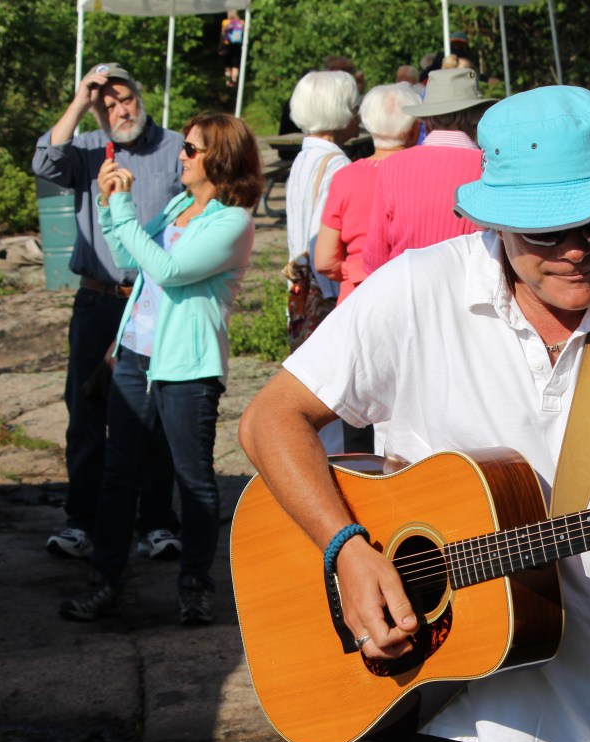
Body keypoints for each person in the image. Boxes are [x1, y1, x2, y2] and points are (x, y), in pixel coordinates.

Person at [238, 85, 590, 742]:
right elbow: (268, 420)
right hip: (446, 713)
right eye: (545, 232)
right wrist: (344, 548)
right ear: (497, 222)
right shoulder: (417, 292)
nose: (576, 252)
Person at [59, 112, 263, 625]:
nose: (182, 156)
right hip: (135, 356)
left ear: (218, 158)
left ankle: (195, 588)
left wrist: (123, 206)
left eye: (191, 150)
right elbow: (132, 252)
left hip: (186, 367)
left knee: (191, 481)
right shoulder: (178, 205)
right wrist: (110, 203)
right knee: (117, 476)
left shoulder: (232, 221)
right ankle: (104, 583)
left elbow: (170, 270)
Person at [33, 63, 182, 563]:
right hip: (99, 299)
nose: (120, 110)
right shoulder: (89, 148)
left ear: (142, 97)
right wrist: (80, 101)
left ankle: (157, 523)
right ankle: (82, 522)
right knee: (87, 412)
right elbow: (44, 162)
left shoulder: (176, 147)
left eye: (126, 99)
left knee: (156, 413)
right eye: (108, 104)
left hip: (156, 299)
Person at [283, 70, 361, 454]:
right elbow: (325, 248)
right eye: (353, 104)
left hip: (300, 294)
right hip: (326, 297)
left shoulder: (303, 158)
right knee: (332, 405)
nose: (358, 112)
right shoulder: (337, 166)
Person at [361, 68, 493, 273]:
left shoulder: (392, 166)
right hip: (466, 294)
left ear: (427, 120)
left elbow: (374, 258)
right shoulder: (489, 168)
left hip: (404, 290)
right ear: (477, 118)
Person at [315, 82, 423, 304]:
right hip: (415, 294)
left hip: (358, 296)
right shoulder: (426, 175)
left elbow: (324, 260)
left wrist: (355, 268)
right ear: (414, 130)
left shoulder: (345, 177)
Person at [219, 10, 245, 88]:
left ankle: (228, 81)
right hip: (237, 45)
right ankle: (234, 80)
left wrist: (220, 47)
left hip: (227, 44)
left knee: (227, 64)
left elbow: (223, 34)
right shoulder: (241, 22)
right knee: (235, 64)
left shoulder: (225, 22)